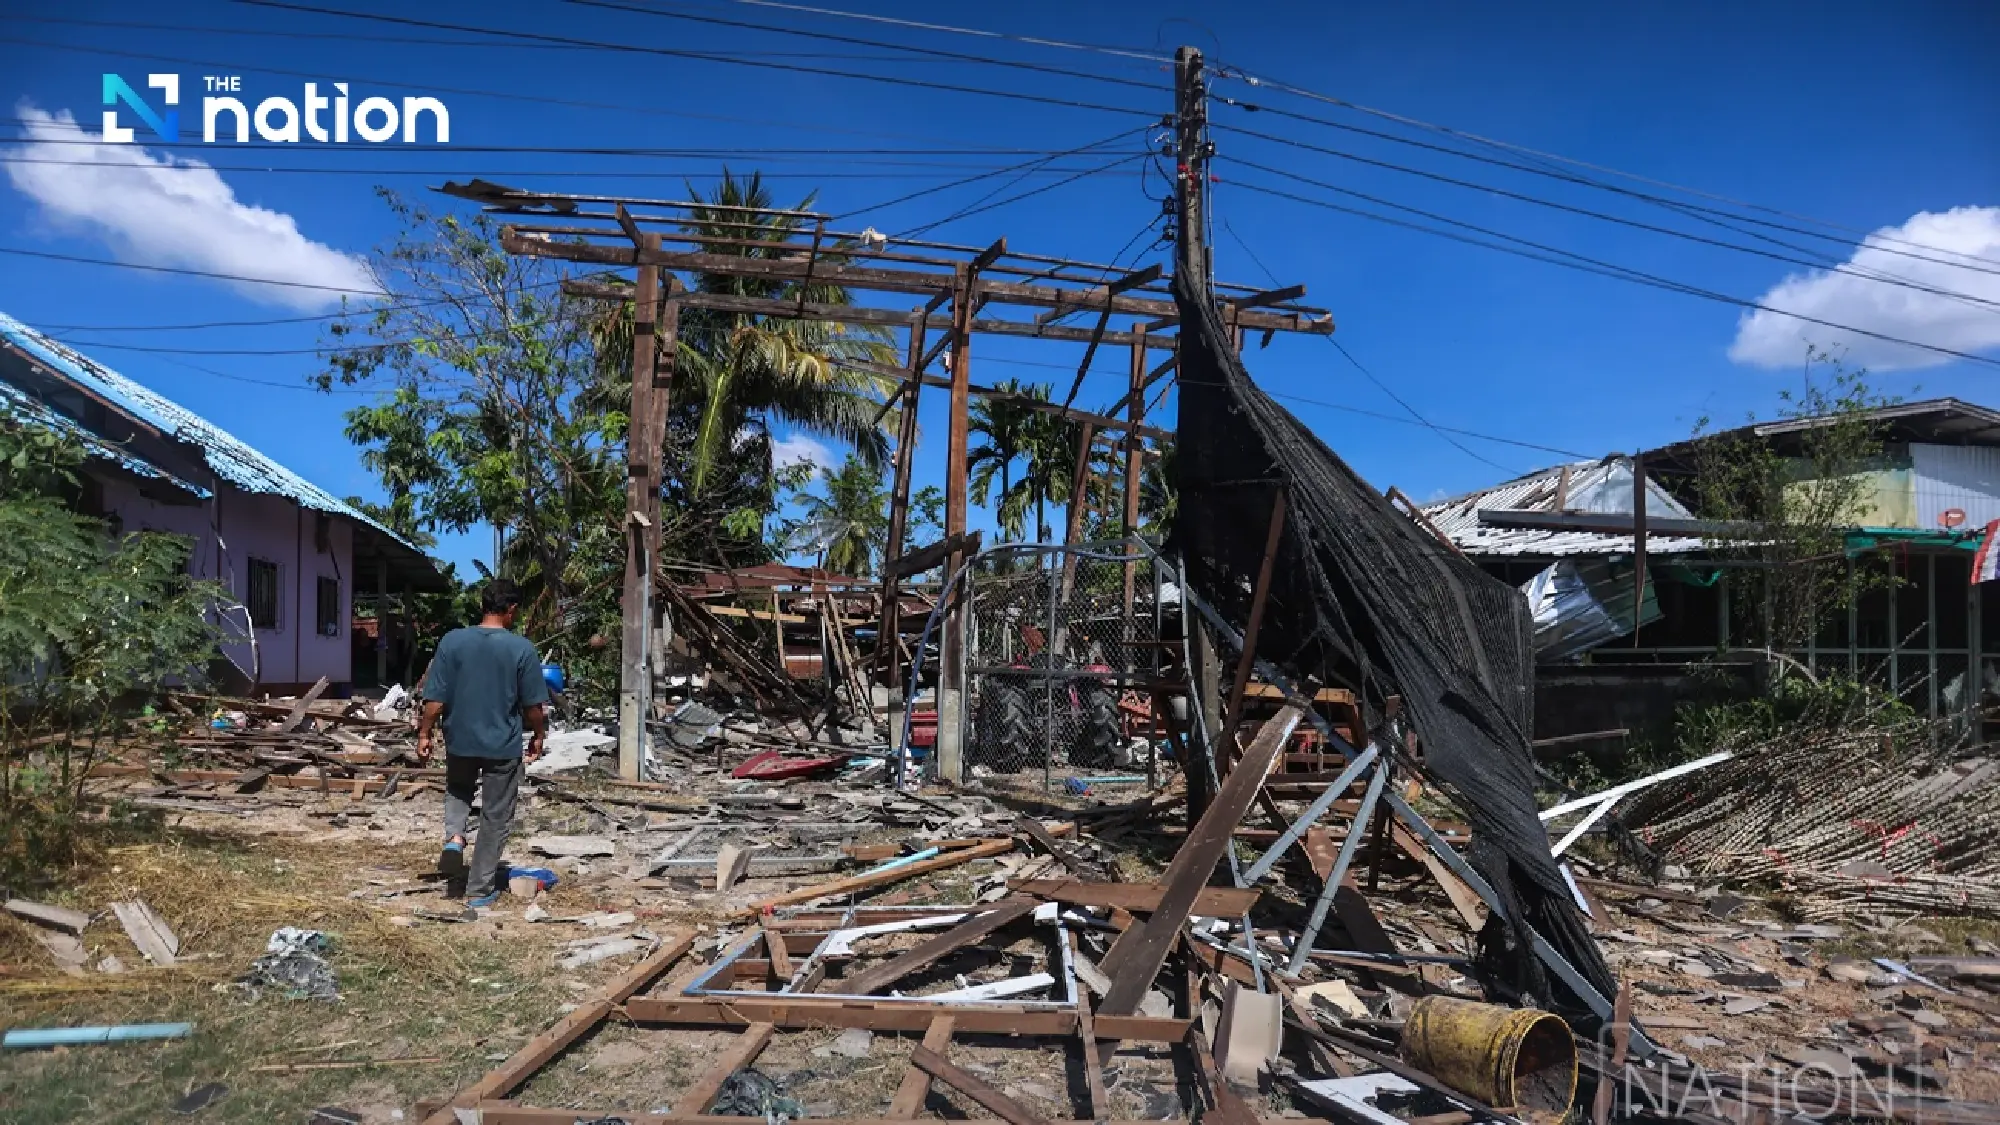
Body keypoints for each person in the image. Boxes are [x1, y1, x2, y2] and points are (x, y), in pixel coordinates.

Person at [416, 579, 549, 906]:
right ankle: (478, 889)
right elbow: (534, 707)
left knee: (458, 788)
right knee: (495, 815)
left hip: (459, 739)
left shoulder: (452, 641)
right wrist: (539, 736)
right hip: (501, 746)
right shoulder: (521, 649)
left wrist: (424, 734)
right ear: (511, 609)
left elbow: (434, 699)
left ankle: (455, 836)